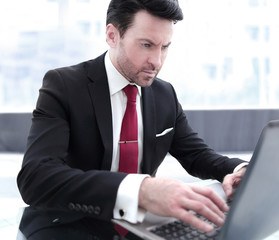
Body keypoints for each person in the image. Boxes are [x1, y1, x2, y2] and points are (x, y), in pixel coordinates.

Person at [17, 0, 248, 237]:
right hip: (67, 223)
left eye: (165, 47)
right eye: (146, 45)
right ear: (112, 35)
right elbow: (36, 177)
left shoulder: (164, 94)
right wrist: (142, 190)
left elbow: (196, 154)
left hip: (138, 226)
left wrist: (240, 170)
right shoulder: (65, 85)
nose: (156, 62)